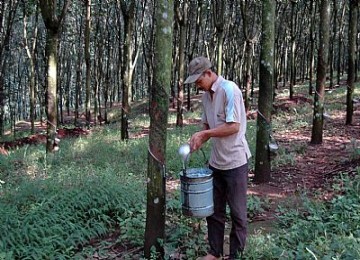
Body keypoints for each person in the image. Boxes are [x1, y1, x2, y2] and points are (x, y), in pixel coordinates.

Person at [184, 56, 251, 260]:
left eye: (199, 79)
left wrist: (206, 135)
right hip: (216, 162)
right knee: (214, 211)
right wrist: (198, 140)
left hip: (235, 161)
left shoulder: (229, 90)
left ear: (209, 73)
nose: (197, 84)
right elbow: (207, 127)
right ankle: (215, 252)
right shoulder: (206, 96)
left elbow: (233, 126)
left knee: (238, 213)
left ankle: (235, 255)